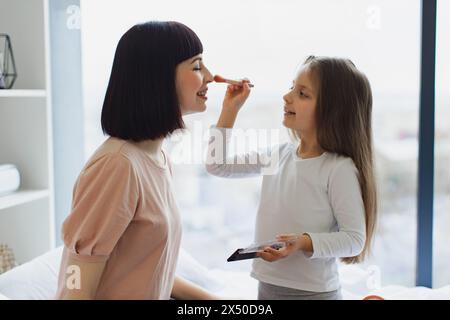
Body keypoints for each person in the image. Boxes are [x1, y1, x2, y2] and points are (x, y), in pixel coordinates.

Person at [55, 21, 217, 300]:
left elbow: (146, 267)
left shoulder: (157, 157)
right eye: (197, 66)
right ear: (159, 78)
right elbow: (76, 279)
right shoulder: (118, 165)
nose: (211, 76)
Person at [206, 56, 378, 300]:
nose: (287, 97)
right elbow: (217, 165)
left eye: (302, 93)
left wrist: (303, 242)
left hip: (315, 294)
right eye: (291, 87)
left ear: (333, 111)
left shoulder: (338, 168)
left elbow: (354, 240)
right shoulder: (278, 155)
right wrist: (229, 110)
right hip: (267, 286)